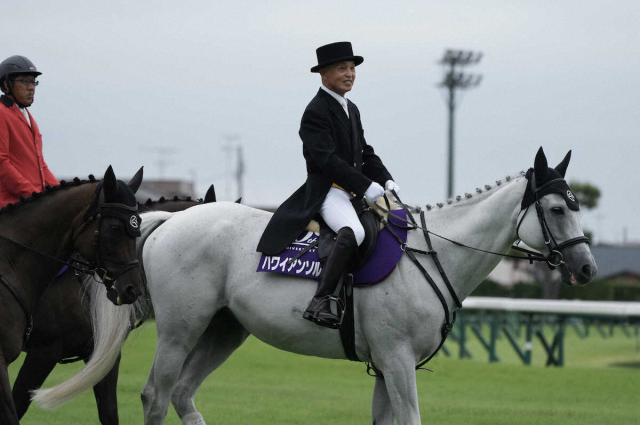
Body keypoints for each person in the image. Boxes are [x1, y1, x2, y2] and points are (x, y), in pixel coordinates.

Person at [257, 41, 399, 328]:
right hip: (328, 192)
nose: (350, 74)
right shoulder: (316, 112)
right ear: (324, 74)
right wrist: (366, 185)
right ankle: (321, 300)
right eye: (342, 69)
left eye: (352, 69)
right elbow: (326, 160)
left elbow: (364, 151)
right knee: (354, 232)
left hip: (353, 192)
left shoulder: (352, 108)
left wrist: (385, 178)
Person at [0, 55, 58, 208]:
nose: (31, 87)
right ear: (6, 85)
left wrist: (61, 192)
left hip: (31, 205)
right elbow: (1, 162)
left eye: (33, 82)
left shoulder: (29, 118)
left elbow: (41, 165)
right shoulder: (1, 113)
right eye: (24, 81)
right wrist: (32, 195)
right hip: (10, 208)